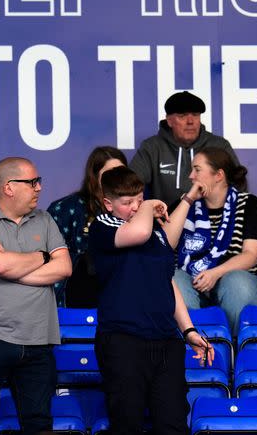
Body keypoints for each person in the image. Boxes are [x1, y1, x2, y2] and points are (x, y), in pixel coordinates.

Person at [89, 166, 213, 435]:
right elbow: (139, 233)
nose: (135, 207)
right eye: (127, 202)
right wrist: (148, 207)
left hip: (166, 342)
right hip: (123, 340)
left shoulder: (154, 232)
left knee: (173, 425)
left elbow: (166, 281)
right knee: (127, 424)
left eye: (139, 199)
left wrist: (188, 330)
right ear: (108, 203)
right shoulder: (103, 226)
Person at [0, 157, 71, 435]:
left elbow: (64, 267)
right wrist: (43, 256)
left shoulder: (45, 220)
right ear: (9, 187)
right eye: (32, 182)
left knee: (39, 426)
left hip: (37, 340)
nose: (39, 188)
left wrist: (12, 267)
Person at [173, 147, 257, 335]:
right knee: (172, 278)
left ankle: (232, 352)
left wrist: (215, 273)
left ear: (218, 175)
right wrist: (188, 201)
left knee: (237, 283)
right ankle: (196, 344)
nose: (191, 176)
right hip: (191, 281)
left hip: (233, 281)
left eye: (197, 169)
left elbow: (251, 255)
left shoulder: (249, 204)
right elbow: (165, 243)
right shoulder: (183, 205)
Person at [47, 146, 127, 308]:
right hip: (78, 289)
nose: (115, 177)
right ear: (94, 175)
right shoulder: (66, 208)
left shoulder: (134, 209)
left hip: (120, 287)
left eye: (121, 171)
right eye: (109, 172)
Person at [130, 91, 239, 206]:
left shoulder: (219, 145)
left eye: (195, 115)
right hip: (167, 220)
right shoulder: (152, 147)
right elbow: (129, 186)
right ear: (169, 121)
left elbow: (238, 184)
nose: (190, 121)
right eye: (182, 116)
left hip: (213, 220)